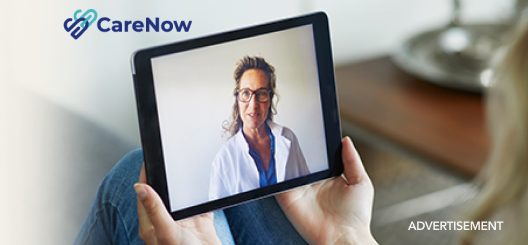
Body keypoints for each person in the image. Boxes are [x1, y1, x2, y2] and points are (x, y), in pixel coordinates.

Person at [209, 56, 310, 200]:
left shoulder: (288, 138)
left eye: (261, 93)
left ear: (270, 99)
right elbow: (218, 216)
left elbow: (309, 189)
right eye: (246, 93)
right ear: (237, 99)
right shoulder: (223, 160)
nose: (253, 105)